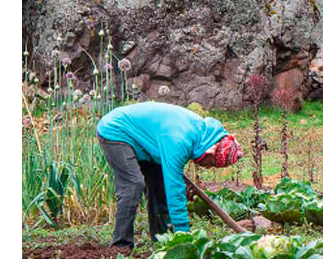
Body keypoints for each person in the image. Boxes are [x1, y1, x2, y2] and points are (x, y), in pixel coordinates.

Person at [96, 101, 243, 249]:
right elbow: (175, 192)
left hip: (145, 141)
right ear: (210, 151)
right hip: (116, 131)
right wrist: (184, 236)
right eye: (211, 163)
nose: (207, 167)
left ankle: (162, 243)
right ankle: (121, 246)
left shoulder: (202, 134)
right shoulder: (180, 142)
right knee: (134, 184)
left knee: (159, 187)